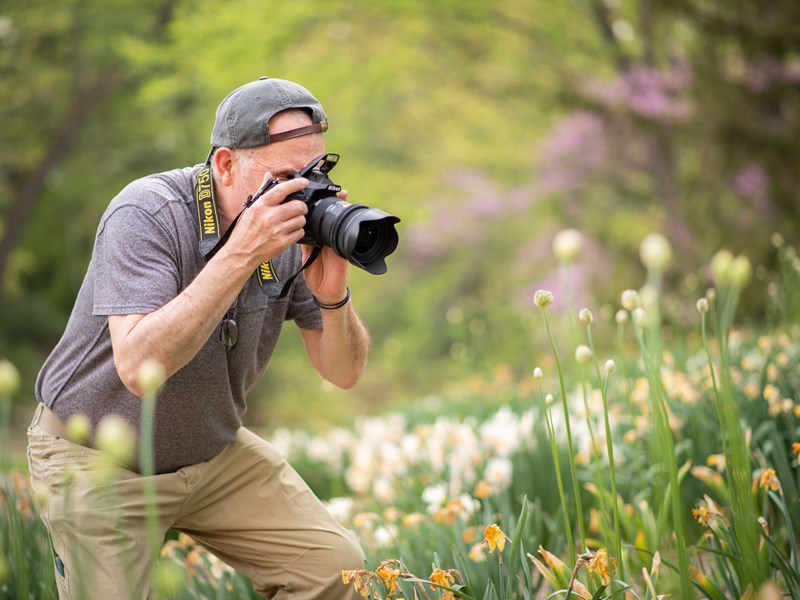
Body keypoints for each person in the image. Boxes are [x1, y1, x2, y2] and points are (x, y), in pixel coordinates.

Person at [27, 76, 369, 599]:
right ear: (227, 164)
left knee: (336, 568)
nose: (301, 193)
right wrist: (241, 253)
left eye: (313, 173)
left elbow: (343, 373)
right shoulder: (147, 213)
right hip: (98, 459)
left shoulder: (290, 230)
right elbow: (142, 369)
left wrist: (333, 294)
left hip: (211, 455)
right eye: (283, 177)